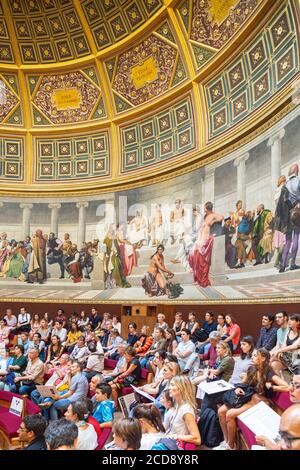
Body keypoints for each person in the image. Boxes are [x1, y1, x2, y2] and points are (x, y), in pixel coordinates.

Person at [214, 348, 289, 450]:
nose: (252, 358)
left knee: (230, 414)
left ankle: (231, 446)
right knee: (221, 411)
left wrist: (272, 387)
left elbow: (287, 386)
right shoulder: (252, 369)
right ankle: (226, 440)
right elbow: (244, 383)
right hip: (249, 397)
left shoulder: (268, 372)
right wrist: (239, 388)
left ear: (262, 358)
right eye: (252, 355)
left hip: (259, 402)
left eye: (254, 356)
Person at [188, 201, 223, 287]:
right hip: (201, 238)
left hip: (206, 239)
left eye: (204, 208)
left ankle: (201, 279)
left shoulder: (213, 215)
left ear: (207, 208)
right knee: (192, 255)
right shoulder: (205, 216)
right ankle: (197, 277)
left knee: (200, 257)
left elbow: (222, 217)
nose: (204, 209)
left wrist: (214, 221)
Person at [166, 375, 201, 446]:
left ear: (182, 388)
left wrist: (175, 436)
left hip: (175, 445)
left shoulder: (186, 410)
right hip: (169, 442)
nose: (169, 388)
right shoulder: (177, 404)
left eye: (172, 385)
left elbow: (197, 439)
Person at [279, 163, 300, 273]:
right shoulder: (298, 181)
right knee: (296, 237)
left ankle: (282, 265)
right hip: (297, 212)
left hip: (287, 214)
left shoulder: (285, 184)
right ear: (297, 170)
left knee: (287, 240)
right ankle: (292, 264)